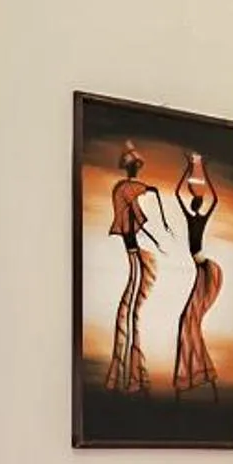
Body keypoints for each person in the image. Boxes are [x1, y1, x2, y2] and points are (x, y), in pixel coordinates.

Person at [105, 142, 168, 395]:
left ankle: (132, 374)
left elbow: (139, 216)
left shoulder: (125, 194)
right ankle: (128, 375)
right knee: (132, 310)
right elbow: (144, 190)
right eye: (134, 165)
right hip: (134, 257)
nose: (136, 169)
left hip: (136, 255)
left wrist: (155, 238)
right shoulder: (124, 190)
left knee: (133, 310)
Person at [172, 153, 224, 400]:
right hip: (200, 271)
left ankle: (202, 377)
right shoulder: (192, 217)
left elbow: (214, 199)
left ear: (197, 204)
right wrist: (188, 170)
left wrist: (205, 174)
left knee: (188, 321)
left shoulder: (200, 217)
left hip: (206, 270)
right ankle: (201, 377)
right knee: (188, 322)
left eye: (196, 200)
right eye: (195, 200)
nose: (194, 202)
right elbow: (177, 194)